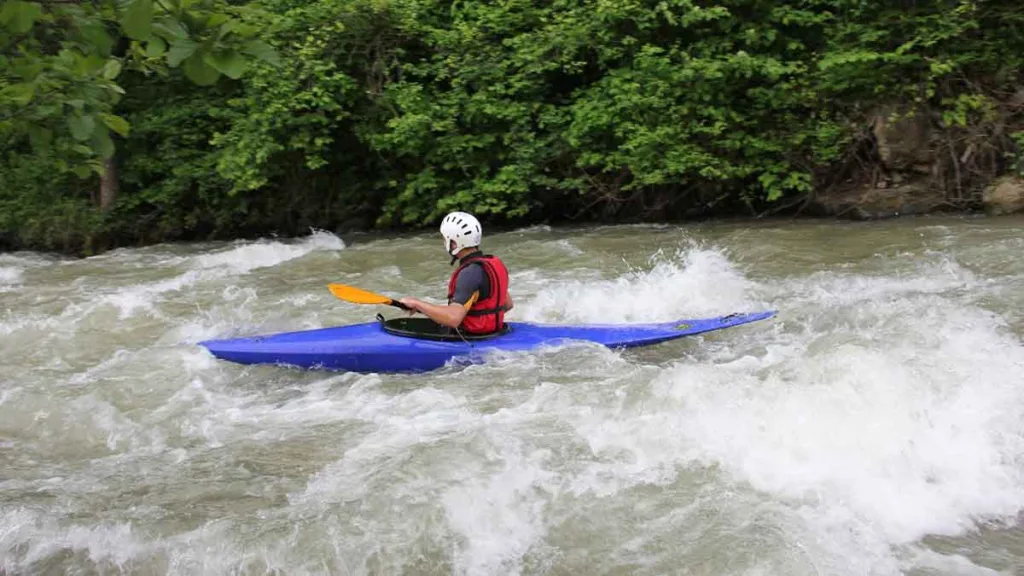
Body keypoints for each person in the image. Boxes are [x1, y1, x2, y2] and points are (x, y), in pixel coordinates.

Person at [398, 211, 513, 335]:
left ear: (454, 243)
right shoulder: (492, 265)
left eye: (445, 239)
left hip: (469, 339)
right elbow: (507, 305)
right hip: (494, 333)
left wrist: (417, 303)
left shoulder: (469, 274)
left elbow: (453, 319)